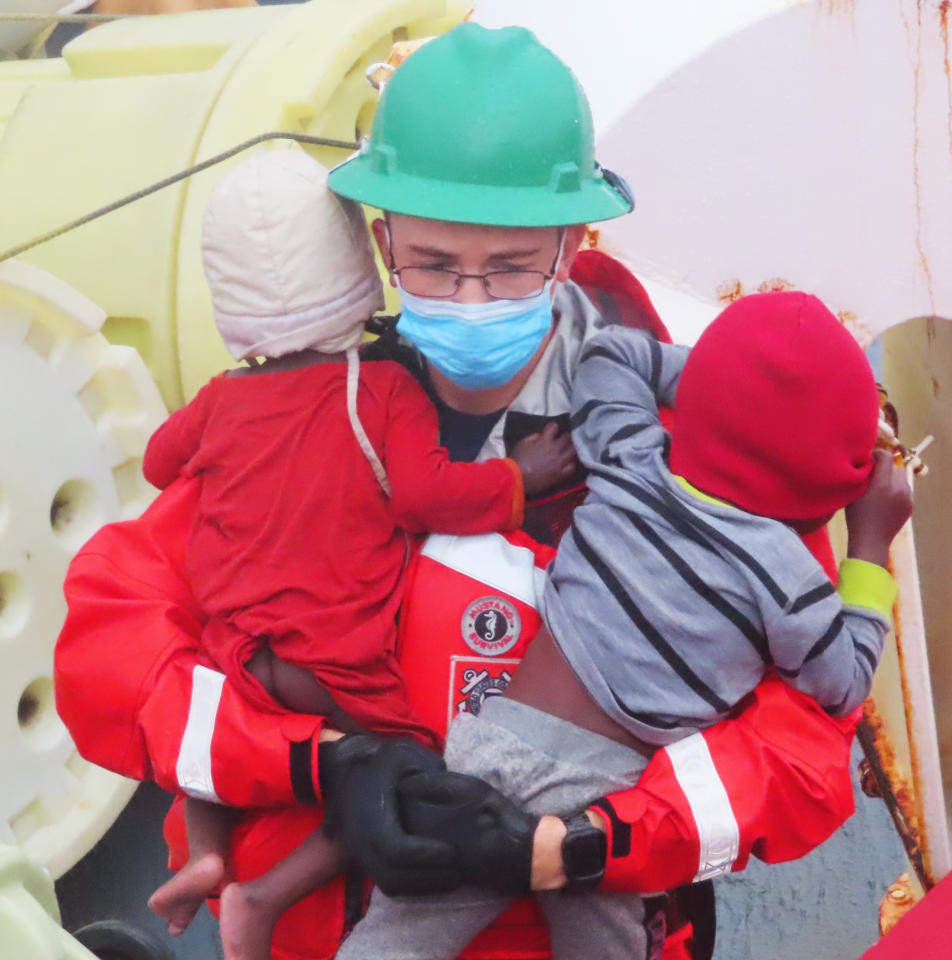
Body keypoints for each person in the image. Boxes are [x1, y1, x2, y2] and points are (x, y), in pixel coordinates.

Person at [54, 23, 865, 960]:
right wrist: (318, 762)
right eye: (434, 266)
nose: (471, 297)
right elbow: (113, 639)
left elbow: (803, 742)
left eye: (511, 265)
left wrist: (598, 842)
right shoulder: (292, 416)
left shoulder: (712, 444)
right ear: (380, 237)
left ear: (571, 243)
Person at [333, 291, 913, 960]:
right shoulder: (788, 579)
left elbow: (607, 355)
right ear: (834, 478)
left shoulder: (632, 458)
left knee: (396, 942)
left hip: (498, 750)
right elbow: (842, 685)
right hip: (614, 809)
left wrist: (722, 379)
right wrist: (871, 548)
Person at [139, 149, 574, 960]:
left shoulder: (221, 398)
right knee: (399, 764)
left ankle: (205, 854)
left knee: (207, 740)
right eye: (436, 266)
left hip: (235, 648)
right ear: (365, 260)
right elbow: (424, 493)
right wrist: (520, 479)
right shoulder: (379, 391)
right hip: (328, 657)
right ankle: (263, 898)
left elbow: (160, 464)